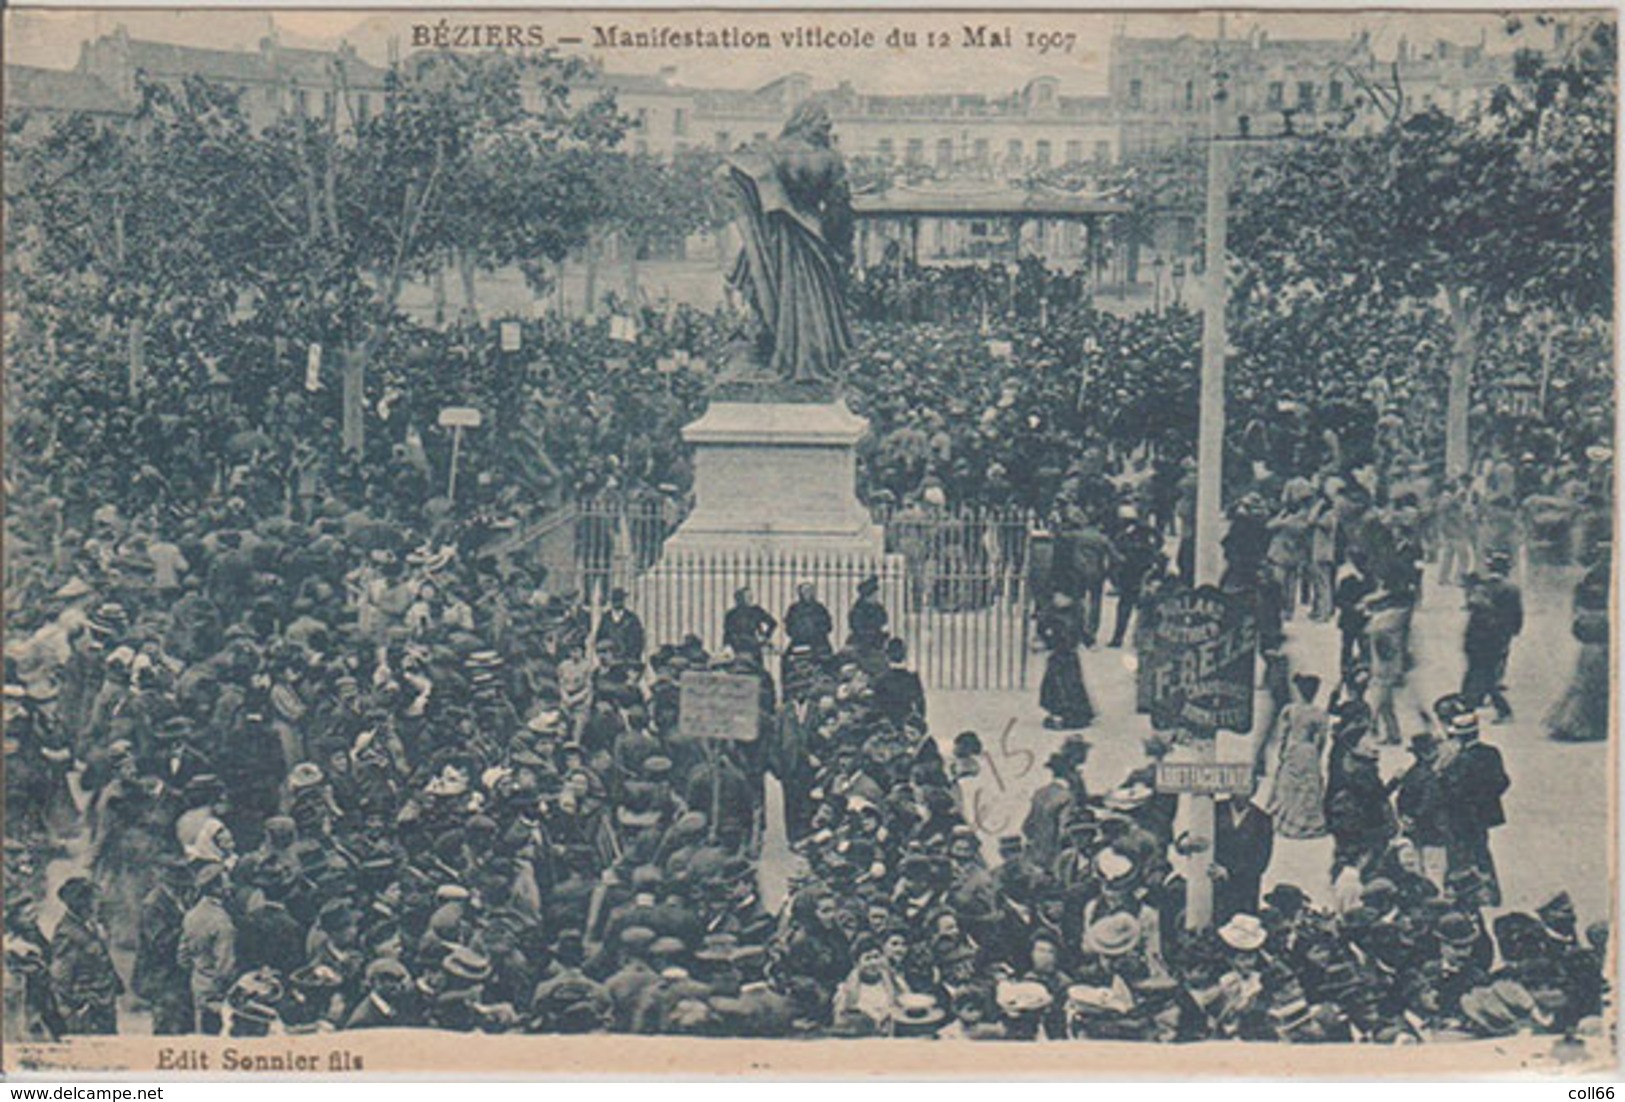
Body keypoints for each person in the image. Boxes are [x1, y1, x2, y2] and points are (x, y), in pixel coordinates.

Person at [1439, 697, 1510, 909]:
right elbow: (1503, 781)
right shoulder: (1491, 753)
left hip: (1461, 816)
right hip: (1484, 815)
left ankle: (1470, 893)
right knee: (1482, 851)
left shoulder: (1458, 760)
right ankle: (1492, 892)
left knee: (1462, 854)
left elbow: (1451, 790)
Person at [49, 877, 123, 1035]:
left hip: (102, 1002)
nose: (99, 904)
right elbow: (60, 976)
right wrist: (80, 1003)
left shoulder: (89, 925)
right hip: (87, 1007)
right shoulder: (67, 934)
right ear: (82, 904)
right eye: (95, 900)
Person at [1264, 673, 1329, 840]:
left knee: (1289, 785)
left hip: (1294, 748)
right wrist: (1317, 755)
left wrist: (1282, 752)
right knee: (1308, 786)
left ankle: (1288, 819)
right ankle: (1307, 822)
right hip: (1310, 751)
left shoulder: (1290, 710)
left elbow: (1283, 734)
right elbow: (1321, 739)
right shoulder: (1320, 713)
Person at [1461, 552, 1522, 724]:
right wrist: (1512, 632)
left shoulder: (1481, 587)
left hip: (1476, 636)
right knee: (1488, 674)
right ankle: (1469, 706)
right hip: (1497, 637)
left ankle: (1477, 707)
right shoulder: (1512, 589)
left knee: (1476, 672)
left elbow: (1472, 607)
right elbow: (1517, 615)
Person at [178, 863, 237, 1034]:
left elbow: (182, 956)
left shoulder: (191, 914)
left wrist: (199, 970)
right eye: (226, 882)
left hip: (197, 984)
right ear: (216, 888)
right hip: (217, 994)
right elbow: (225, 966)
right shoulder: (221, 921)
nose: (230, 886)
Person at [1395, 732, 1450, 893]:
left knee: (1418, 870)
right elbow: (1430, 802)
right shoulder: (1430, 776)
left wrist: (1407, 818)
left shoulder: (1411, 773)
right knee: (1435, 872)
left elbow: (1401, 800)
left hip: (1415, 830)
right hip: (1433, 830)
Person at [1036, 593, 1093, 730]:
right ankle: (1060, 711)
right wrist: (1046, 642)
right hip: (1058, 654)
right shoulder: (1049, 613)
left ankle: (1073, 711)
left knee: (1070, 683)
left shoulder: (1076, 612)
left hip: (1069, 654)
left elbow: (1080, 630)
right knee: (1056, 683)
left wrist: (1088, 641)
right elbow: (1042, 630)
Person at [871, 637, 925, 731]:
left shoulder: (880, 680)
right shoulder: (912, 679)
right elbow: (920, 706)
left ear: (886, 655)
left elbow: (875, 707)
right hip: (907, 725)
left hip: (886, 727)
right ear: (904, 654)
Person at [722, 587, 776, 668]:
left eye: (750, 596)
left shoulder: (756, 611)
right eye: (746, 596)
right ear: (738, 599)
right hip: (737, 647)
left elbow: (773, 623)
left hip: (753, 646)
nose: (749, 599)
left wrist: (765, 637)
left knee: (756, 669)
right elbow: (727, 632)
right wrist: (726, 646)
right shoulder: (731, 614)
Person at [595, 589, 645, 667]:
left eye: (620, 600)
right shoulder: (606, 618)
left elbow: (639, 640)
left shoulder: (632, 618)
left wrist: (632, 658)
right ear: (611, 602)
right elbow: (599, 639)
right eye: (615, 600)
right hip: (610, 662)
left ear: (623, 601)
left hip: (628, 661)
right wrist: (604, 657)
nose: (617, 603)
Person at [783, 582, 833, 659]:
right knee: (787, 659)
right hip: (799, 642)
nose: (807, 593)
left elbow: (828, 625)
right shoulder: (794, 609)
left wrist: (818, 632)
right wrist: (797, 633)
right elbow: (789, 625)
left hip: (819, 642)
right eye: (805, 591)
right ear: (800, 593)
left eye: (810, 590)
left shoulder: (819, 608)